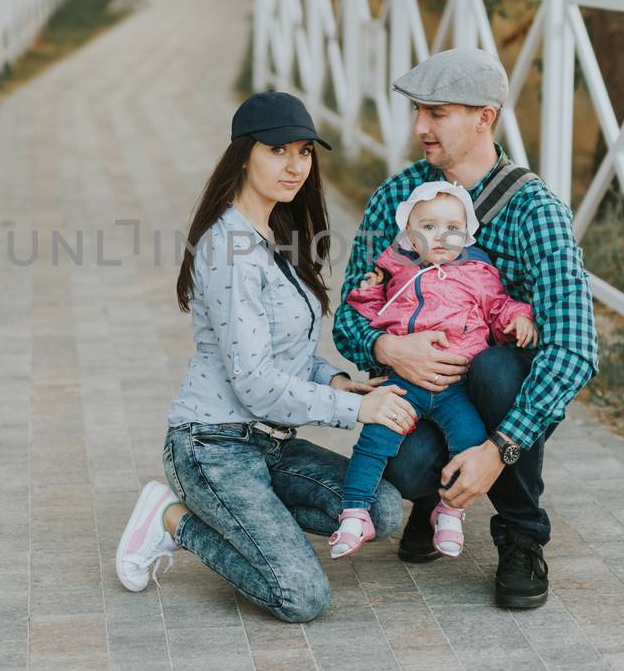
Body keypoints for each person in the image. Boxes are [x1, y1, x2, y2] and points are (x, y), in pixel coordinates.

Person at [114, 91, 412, 622]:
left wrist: (338, 381)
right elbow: (253, 382)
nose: (295, 165)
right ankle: (173, 519)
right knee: (301, 597)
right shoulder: (228, 249)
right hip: (213, 447)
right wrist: (353, 412)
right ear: (244, 155)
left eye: (304, 151)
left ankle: (255, 525)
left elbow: (285, 354)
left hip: (271, 445)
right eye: (278, 151)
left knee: (380, 509)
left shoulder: (276, 234)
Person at [332, 47, 598, 609]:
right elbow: (349, 314)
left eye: (438, 113)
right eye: (418, 112)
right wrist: (387, 346)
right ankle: (432, 500)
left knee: (496, 367)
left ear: (485, 117)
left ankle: (522, 533)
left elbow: (576, 350)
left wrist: (498, 450)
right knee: (405, 465)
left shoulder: (534, 210)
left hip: (500, 391)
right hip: (422, 386)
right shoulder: (395, 202)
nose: (420, 127)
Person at [329, 181, 536, 560]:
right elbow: (365, 314)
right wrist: (368, 290)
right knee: (375, 441)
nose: (440, 236)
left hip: (455, 385)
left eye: (452, 228)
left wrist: (518, 317)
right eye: (427, 227)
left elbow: (498, 305)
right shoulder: (396, 268)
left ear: (467, 233)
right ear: (408, 234)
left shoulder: (477, 272)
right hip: (404, 381)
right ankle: (355, 512)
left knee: (470, 439)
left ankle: (449, 512)